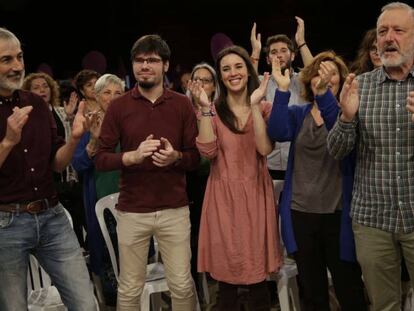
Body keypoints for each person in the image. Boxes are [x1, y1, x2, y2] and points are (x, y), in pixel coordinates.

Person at [94, 34, 200, 310]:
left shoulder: (181, 104)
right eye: (139, 61)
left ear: (165, 65)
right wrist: (132, 156)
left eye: (152, 60)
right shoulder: (119, 106)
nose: (144, 66)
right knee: (129, 289)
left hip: (174, 210)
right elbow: (101, 159)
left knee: (182, 285)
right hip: (132, 211)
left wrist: (175, 157)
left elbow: (195, 158)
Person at [0, 27, 96, 310]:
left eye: (19, 57)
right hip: (6, 224)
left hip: (52, 217)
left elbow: (56, 162)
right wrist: (7, 142)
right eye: (6, 59)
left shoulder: (38, 106)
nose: (17, 66)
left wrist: (76, 138)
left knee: (85, 304)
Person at [327, 3, 414, 310]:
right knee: (383, 305)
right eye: (382, 32)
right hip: (373, 221)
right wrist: (347, 119)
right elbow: (336, 150)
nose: (388, 38)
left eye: (398, 30)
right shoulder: (359, 86)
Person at [268, 51, 367, 311]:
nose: (325, 77)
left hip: (338, 216)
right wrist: (281, 89)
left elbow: (341, 138)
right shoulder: (299, 114)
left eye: (332, 72)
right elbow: (277, 131)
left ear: (342, 79)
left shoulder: (350, 114)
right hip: (301, 213)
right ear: (309, 79)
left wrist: (325, 98)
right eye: (319, 72)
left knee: (349, 289)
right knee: (313, 294)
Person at [188, 45, 282, 311]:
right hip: (223, 199)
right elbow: (207, 151)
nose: (233, 73)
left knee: (257, 281)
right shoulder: (212, 112)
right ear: (220, 76)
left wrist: (253, 107)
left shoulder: (264, 107)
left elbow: (264, 149)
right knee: (226, 282)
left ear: (247, 70)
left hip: (255, 195)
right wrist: (205, 109)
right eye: (226, 69)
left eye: (238, 66)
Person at [72, 73, 125, 305]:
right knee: (108, 259)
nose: (112, 98)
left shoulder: (132, 120)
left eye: (118, 93)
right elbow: (79, 164)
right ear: (97, 95)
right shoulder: (89, 123)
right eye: (107, 92)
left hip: (132, 202)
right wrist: (93, 140)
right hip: (101, 204)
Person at [251, 18, 313, 197]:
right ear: (268, 59)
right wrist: (255, 52)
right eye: (273, 52)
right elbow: (246, 81)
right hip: (266, 166)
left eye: (284, 51)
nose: (278, 55)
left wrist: (301, 42)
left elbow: (316, 71)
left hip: (300, 165)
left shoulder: (303, 80)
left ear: (293, 55)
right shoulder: (262, 83)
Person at [22, 73, 86, 247]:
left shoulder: (60, 111)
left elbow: (70, 140)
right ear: (27, 93)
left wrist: (70, 118)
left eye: (45, 86)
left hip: (68, 175)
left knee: (80, 216)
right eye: (36, 87)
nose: (42, 90)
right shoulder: (25, 117)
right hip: (47, 181)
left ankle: (82, 250)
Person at [185, 62, 219, 301]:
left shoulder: (223, 110)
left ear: (215, 86)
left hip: (217, 179)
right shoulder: (183, 111)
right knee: (193, 237)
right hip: (191, 183)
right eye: (197, 80)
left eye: (206, 80)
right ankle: (196, 292)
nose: (201, 84)